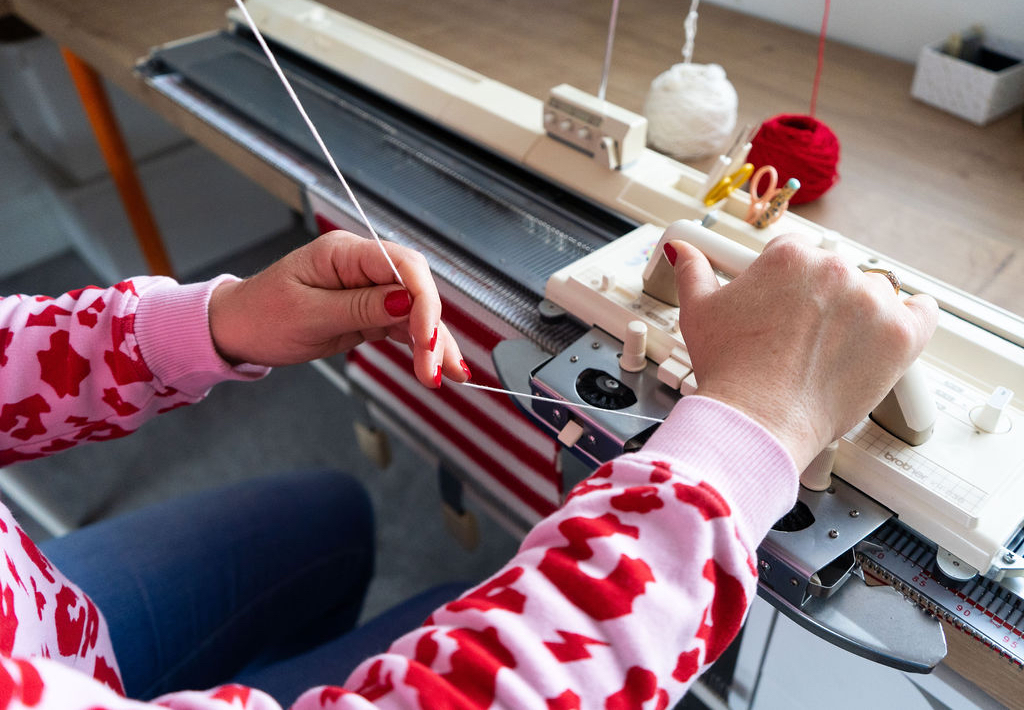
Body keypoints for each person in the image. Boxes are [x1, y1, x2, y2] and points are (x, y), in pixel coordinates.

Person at [0, 228, 936, 708]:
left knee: (330, 514)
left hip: (42, 622)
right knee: (439, 604)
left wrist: (211, 322)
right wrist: (752, 433)